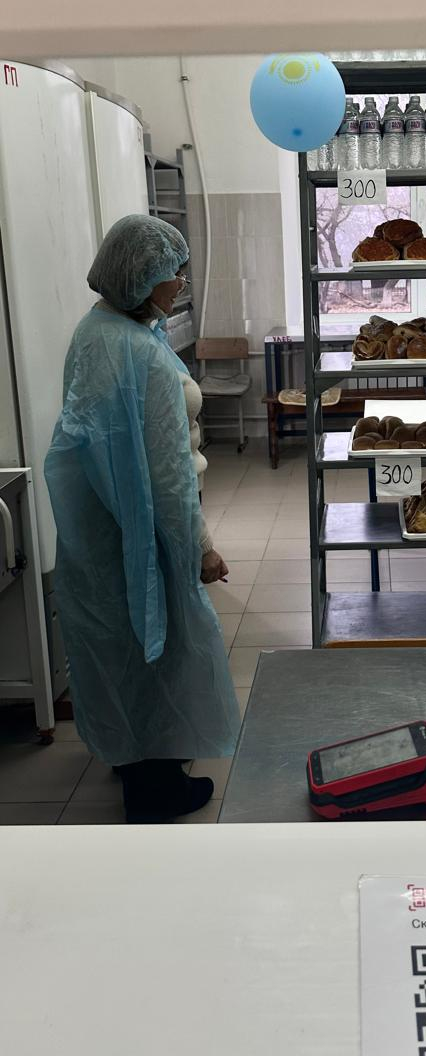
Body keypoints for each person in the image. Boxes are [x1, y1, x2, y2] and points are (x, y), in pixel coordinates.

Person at [45, 214, 241, 823]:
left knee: (119, 645)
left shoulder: (99, 329)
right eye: (172, 272)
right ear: (141, 276)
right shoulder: (139, 354)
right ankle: (155, 789)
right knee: (159, 645)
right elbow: (167, 475)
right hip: (144, 528)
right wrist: (200, 547)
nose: (180, 282)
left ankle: (130, 754)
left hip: (101, 529)